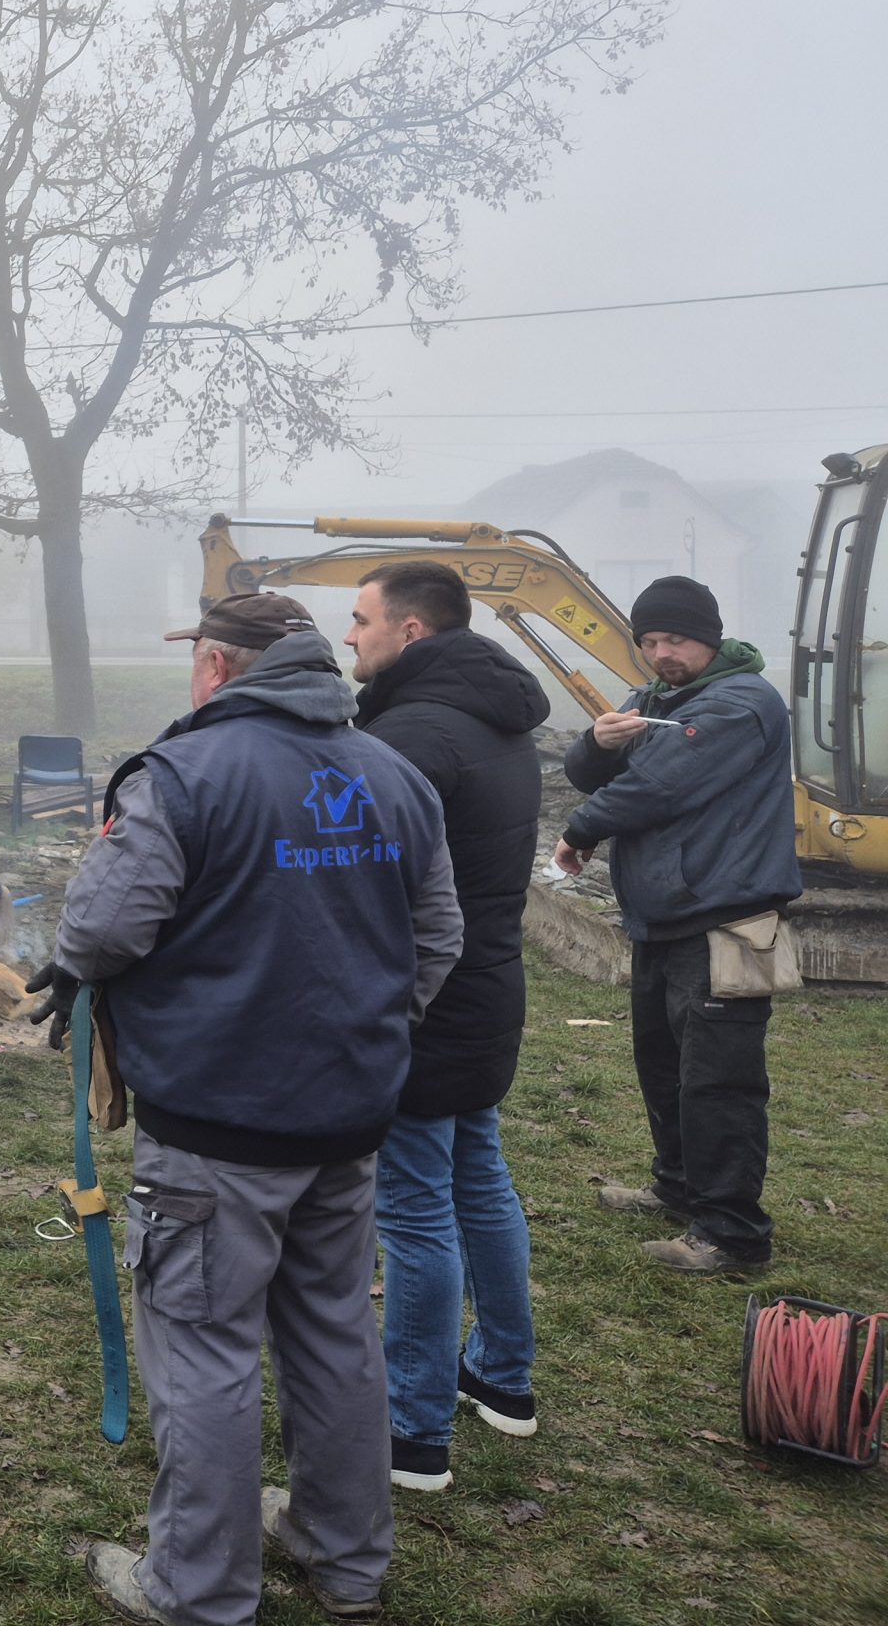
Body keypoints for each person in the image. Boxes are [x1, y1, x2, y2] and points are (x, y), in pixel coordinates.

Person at [57, 592, 463, 1626]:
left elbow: (99, 934)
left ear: (218, 667)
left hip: (214, 1130)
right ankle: (344, 1558)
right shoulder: (396, 776)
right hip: (347, 1121)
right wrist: (363, 1036)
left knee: (204, 1349)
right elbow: (438, 939)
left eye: (195, 658)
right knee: (334, 1333)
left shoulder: (183, 774)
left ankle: (198, 1593)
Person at [343, 561, 548, 1493]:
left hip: (424, 1002)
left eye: (361, 620)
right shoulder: (497, 715)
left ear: (410, 631)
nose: (351, 637)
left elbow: (365, 881)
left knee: (417, 1210)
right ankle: (503, 1377)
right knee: (481, 1180)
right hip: (490, 989)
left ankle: (413, 1430)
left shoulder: (413, 736)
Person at [554, 575, 799, 1274]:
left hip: (729, 918)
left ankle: (733, 1232)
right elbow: (588, 773)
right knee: (663, 1066)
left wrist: (580, 830)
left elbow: (659, 783)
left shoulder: (742, 702)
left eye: (678, 640)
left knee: (720, 1080)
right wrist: (598, 742)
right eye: (651, 641)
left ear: (710, 639)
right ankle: (679, 1187)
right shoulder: (654, 698)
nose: (663, 654)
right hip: (663, 914)